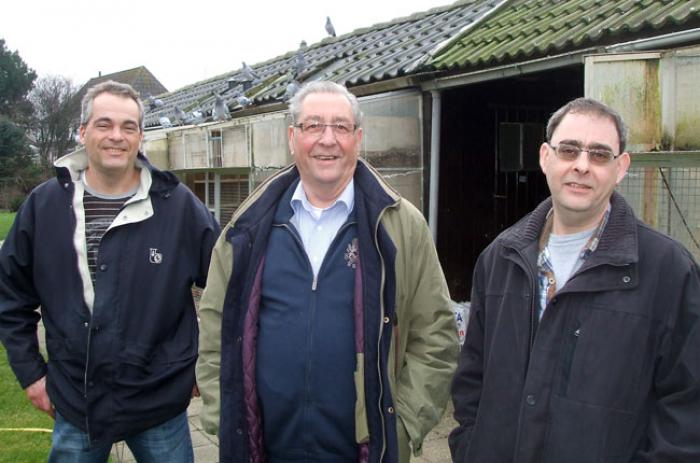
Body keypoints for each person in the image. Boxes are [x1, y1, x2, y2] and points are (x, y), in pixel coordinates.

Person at [196, 80, 459, 462]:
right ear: (292, 137)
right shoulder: (248, 227)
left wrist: (402, 423)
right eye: (313, 125)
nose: (327, 139)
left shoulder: (401, 226)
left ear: (358, 137)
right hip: (265, 447)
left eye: (340, 126)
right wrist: (224, 415)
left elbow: (436, 335)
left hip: (365, 450)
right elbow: (215, 329)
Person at [449, 97, 700, 462]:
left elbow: (687, 409)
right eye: (569, 150)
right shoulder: (501, 259)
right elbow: (472, 380)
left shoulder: (668, 270)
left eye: (599, 155)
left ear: (621, 167)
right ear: (545, 157)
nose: (582, 165)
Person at [0, 80, 220, 462]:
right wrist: (31, 374)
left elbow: (226, 292)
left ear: (140, 136)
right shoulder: (44, 207)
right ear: (83, 132)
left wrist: (206, 366)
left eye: (128, 126)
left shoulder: (179, 207)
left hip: (160, 404)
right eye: (104, 124)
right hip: (75, 401)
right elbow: (10, 296)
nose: (116, 136)